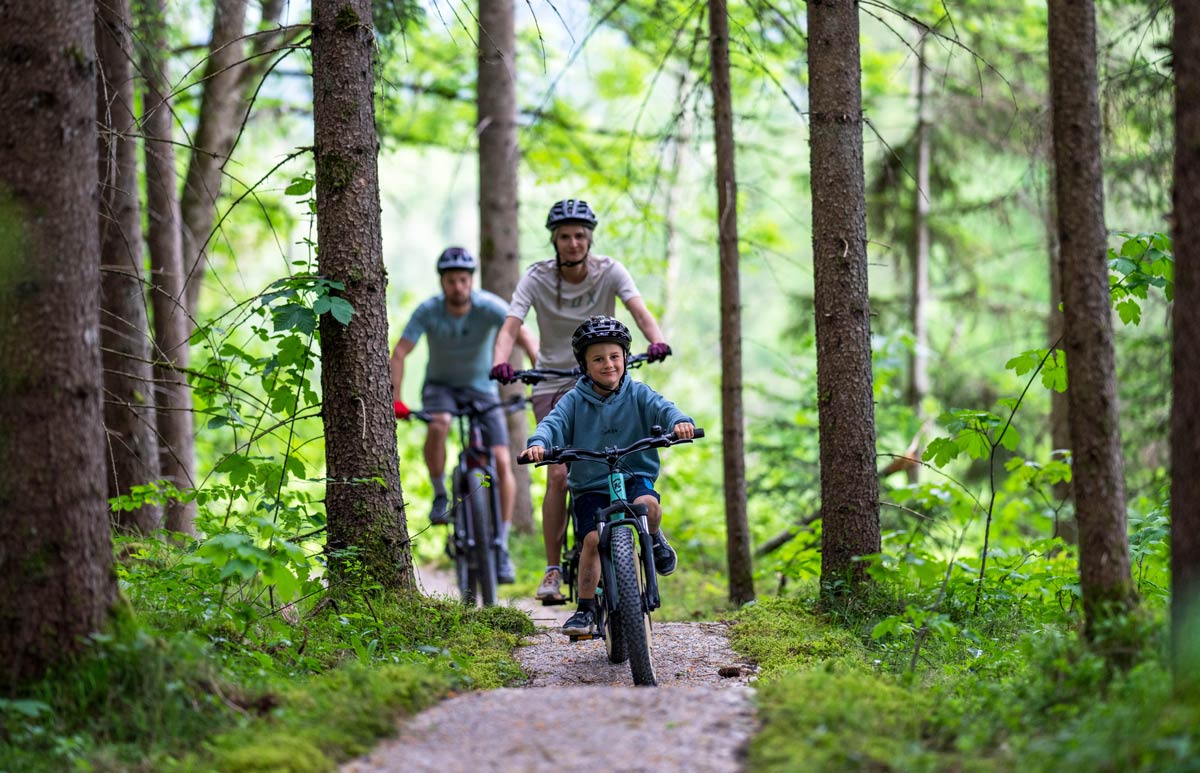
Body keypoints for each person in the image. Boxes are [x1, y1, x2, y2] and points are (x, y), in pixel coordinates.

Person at [490, 198, 672, 603]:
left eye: (579, 236)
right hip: (553, 380)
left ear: (589, 239)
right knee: (558, 474)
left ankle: (638, 537)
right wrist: (501, 361)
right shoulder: (537, 277)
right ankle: (553, 568)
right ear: (554, 241)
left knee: (619, 453)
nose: (573, 243)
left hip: (601, 373)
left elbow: (638, 309)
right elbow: (512, 324)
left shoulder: (610, 271)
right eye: (564, 237)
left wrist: (656, 339)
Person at [520, 316, 693, 635]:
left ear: (625, 357)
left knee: (649, 507)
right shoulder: (573, 401)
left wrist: (680, 422)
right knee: (591, 540)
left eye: (614, 356)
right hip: (590, 486)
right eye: (598, 359)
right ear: (584, 365)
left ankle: (654, 538)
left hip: (634, 474)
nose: (608, 364)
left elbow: (664, 408)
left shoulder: (638, 393)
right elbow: (551, 424)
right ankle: (585, 610)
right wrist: (539, 444)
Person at [392, 246, 536, 583]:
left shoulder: (489, 307)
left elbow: (524, 335)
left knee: (502, 459)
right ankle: (440, 493)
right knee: (440, 423)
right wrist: (395, 399)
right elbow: (400, 352)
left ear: (471, 281)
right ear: (442, 283)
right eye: (451, 281)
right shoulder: (429, 311)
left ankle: (501, 545)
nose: (458, 286)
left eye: (463, 280)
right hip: (440, 387)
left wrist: (538, 377)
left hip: (482, 389)